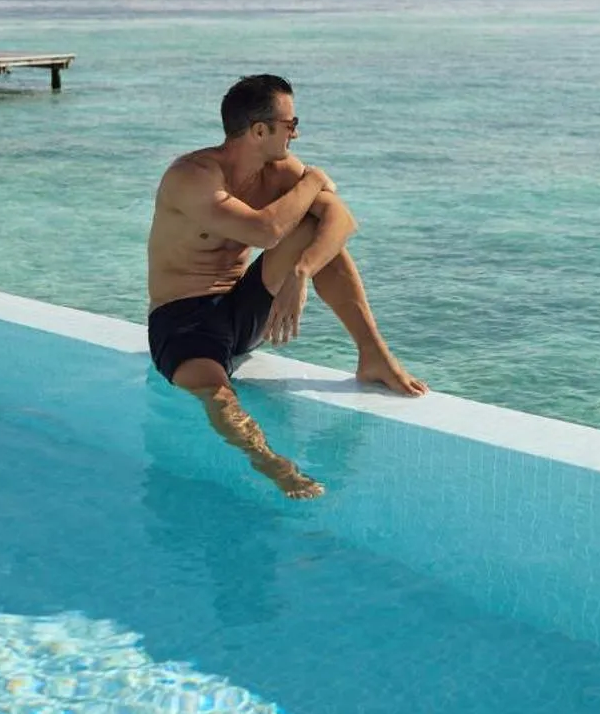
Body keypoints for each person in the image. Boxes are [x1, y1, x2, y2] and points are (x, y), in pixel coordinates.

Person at [146, 74, 428, 497]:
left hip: (241, 307)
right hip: (183, 324)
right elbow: (264, 231)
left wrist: (301, 272)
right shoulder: (193, 176)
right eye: (291, 124)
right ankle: (270, 463)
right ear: (260, 131)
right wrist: (313, 180)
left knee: (317, 229)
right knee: (216, 395)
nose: (296, 132)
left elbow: (343, 220)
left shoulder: (277, 173)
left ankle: (373, 354)